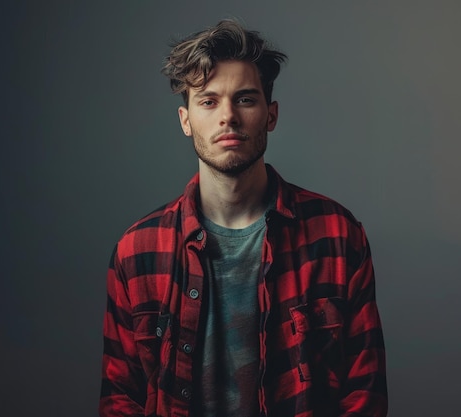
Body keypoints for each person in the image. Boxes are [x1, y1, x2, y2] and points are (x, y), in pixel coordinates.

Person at [99, 19, 387, 417]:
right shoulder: (137, 251)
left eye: (246, 99)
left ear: (271, 116)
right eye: (208, 101)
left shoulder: (338, 235)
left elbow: (365, 395)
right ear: (186, 121)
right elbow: (120, 399)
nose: (228, 117)